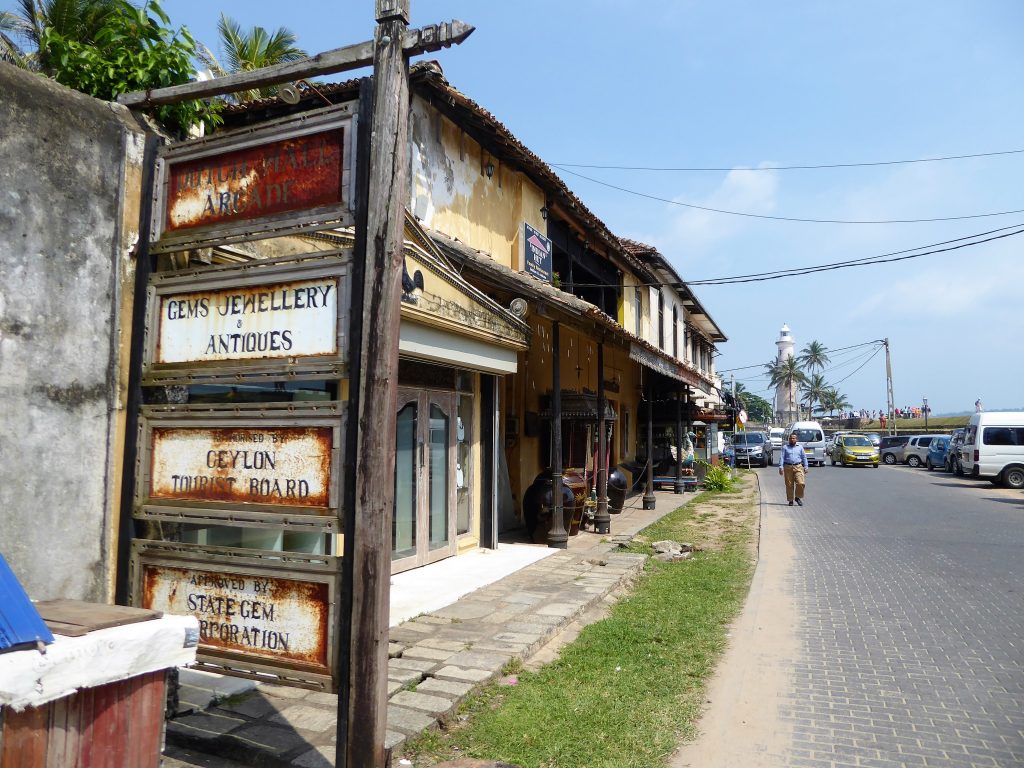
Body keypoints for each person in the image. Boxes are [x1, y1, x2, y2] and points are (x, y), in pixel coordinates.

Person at [778, 432, 809, 506]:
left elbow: (804, 457)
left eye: (793, 438)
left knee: (801, 483)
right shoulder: (785, 447)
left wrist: (806, 466)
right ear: (789, 439)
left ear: (796, 439)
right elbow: (782, 457)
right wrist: (781, 467)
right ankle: (790, 500)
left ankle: (798, 497)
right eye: (791, 438)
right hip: (788, 467)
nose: (792, 439)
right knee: (789, 484)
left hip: (798, 466)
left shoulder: (800, 447)